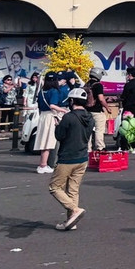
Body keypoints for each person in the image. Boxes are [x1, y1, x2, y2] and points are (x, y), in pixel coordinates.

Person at [48, 88, 95, 230]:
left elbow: (60, 136)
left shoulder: (69, 117)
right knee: (73, 190)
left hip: (67, 157)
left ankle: (74, 210)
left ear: (72, 101)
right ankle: (71, 221)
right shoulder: (90, 117)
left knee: (55, 187)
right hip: (82, 157)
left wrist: (58, 125)